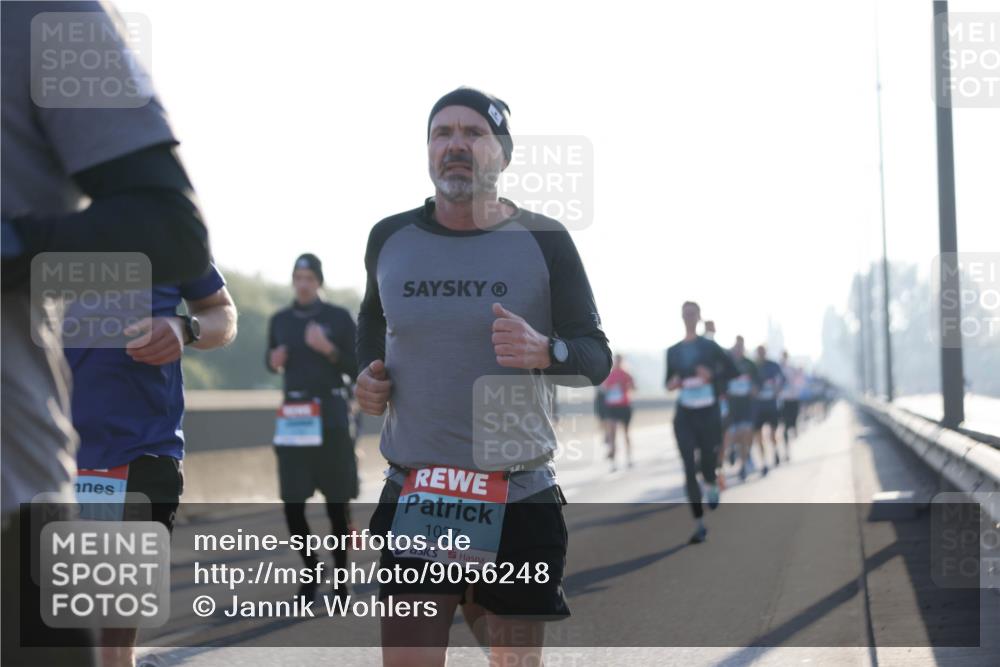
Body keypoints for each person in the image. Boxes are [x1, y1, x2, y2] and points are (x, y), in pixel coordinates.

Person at [355, 87, 611, 667]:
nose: (456, 145)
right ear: (427, 150)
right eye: (442, 133)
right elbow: (372, 318)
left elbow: (596, 355)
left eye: (473, 133)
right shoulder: (388, 238)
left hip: (515, 493)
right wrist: (366, 375)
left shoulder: (545, 239)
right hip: (419, 491)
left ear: (503, 154)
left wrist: (546, 348)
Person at [2, 3, 211, 665]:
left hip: (127, 456)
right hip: (76, 449)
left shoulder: (123, 240)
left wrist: (182, 326)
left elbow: (212, 298)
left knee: (112, 629)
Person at [67, 263, 236, 667]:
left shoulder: (164, 219)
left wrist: (185, 328)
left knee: (108, 639)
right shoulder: (26, 214)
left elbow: (222, 313)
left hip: (140, 455)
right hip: (40, 453)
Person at [266, 253, 359, 603]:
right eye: (298, 277)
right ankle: (311, 568)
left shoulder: (338, 317)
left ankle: (341, 579)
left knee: (337, 503)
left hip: (332, 416)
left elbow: (355, 364)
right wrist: (274, 363)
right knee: (292, 502)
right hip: (294, 418)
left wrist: (328, 349)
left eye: (309, 277)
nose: (303, 283)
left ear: (318, 281)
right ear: (293, 281)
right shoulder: (280, 319)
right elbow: (269, 360)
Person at [665, 302, 739, 544]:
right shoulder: (673, 351)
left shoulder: (709, 347)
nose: (688, 317)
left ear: (698, 317)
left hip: (709, 413)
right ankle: (699, 523)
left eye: (692, 313)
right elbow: (667, 383)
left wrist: (712, 376)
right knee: (688, 467)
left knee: (707, 462)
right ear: (681, 317)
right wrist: (673, 383)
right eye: (685, 314)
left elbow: (733, 371)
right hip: (685, 414)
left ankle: (712, 480)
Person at [723, 336, 760, 481]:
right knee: (732, 436)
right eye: (736, 347)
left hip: (746, 406)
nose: (738, 350)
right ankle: (732, 451)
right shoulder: (727, 363)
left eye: (741, 347)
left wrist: (754, 390)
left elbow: (757, 383)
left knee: (745, 435)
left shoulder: (750, 364)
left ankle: (743, 465)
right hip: (731, 406)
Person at [752, 345, 785, 474]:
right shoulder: (753, 366)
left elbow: (782, 379)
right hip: (757, 406)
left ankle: (776, 451)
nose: (761, 354)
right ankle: (764, 462)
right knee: (758, 435)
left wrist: (778, 389)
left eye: (763, 352)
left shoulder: (773, 365)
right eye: (759, 352)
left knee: (772, 433)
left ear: (765, 352)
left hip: (771, 404)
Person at [602, 354, 636, 471]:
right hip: (612, 407)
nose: (617, 363)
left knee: (626, 433)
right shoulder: (609, 374)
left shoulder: (627, 374)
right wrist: (611, 387)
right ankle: (613, 463)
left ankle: (629, 458)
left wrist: (626, 385)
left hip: (624, 406)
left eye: (619, 360)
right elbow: (603, 388)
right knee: (612, 434)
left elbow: (634, 387)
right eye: (615, 361)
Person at [779, 351, 802, 456]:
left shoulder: (792, 368)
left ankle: (795, 433)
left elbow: (800, 379)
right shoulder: (778, 369)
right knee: (784, 426)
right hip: (784, 400)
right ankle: (786, 449)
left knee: (793, 423)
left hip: (793, 399)